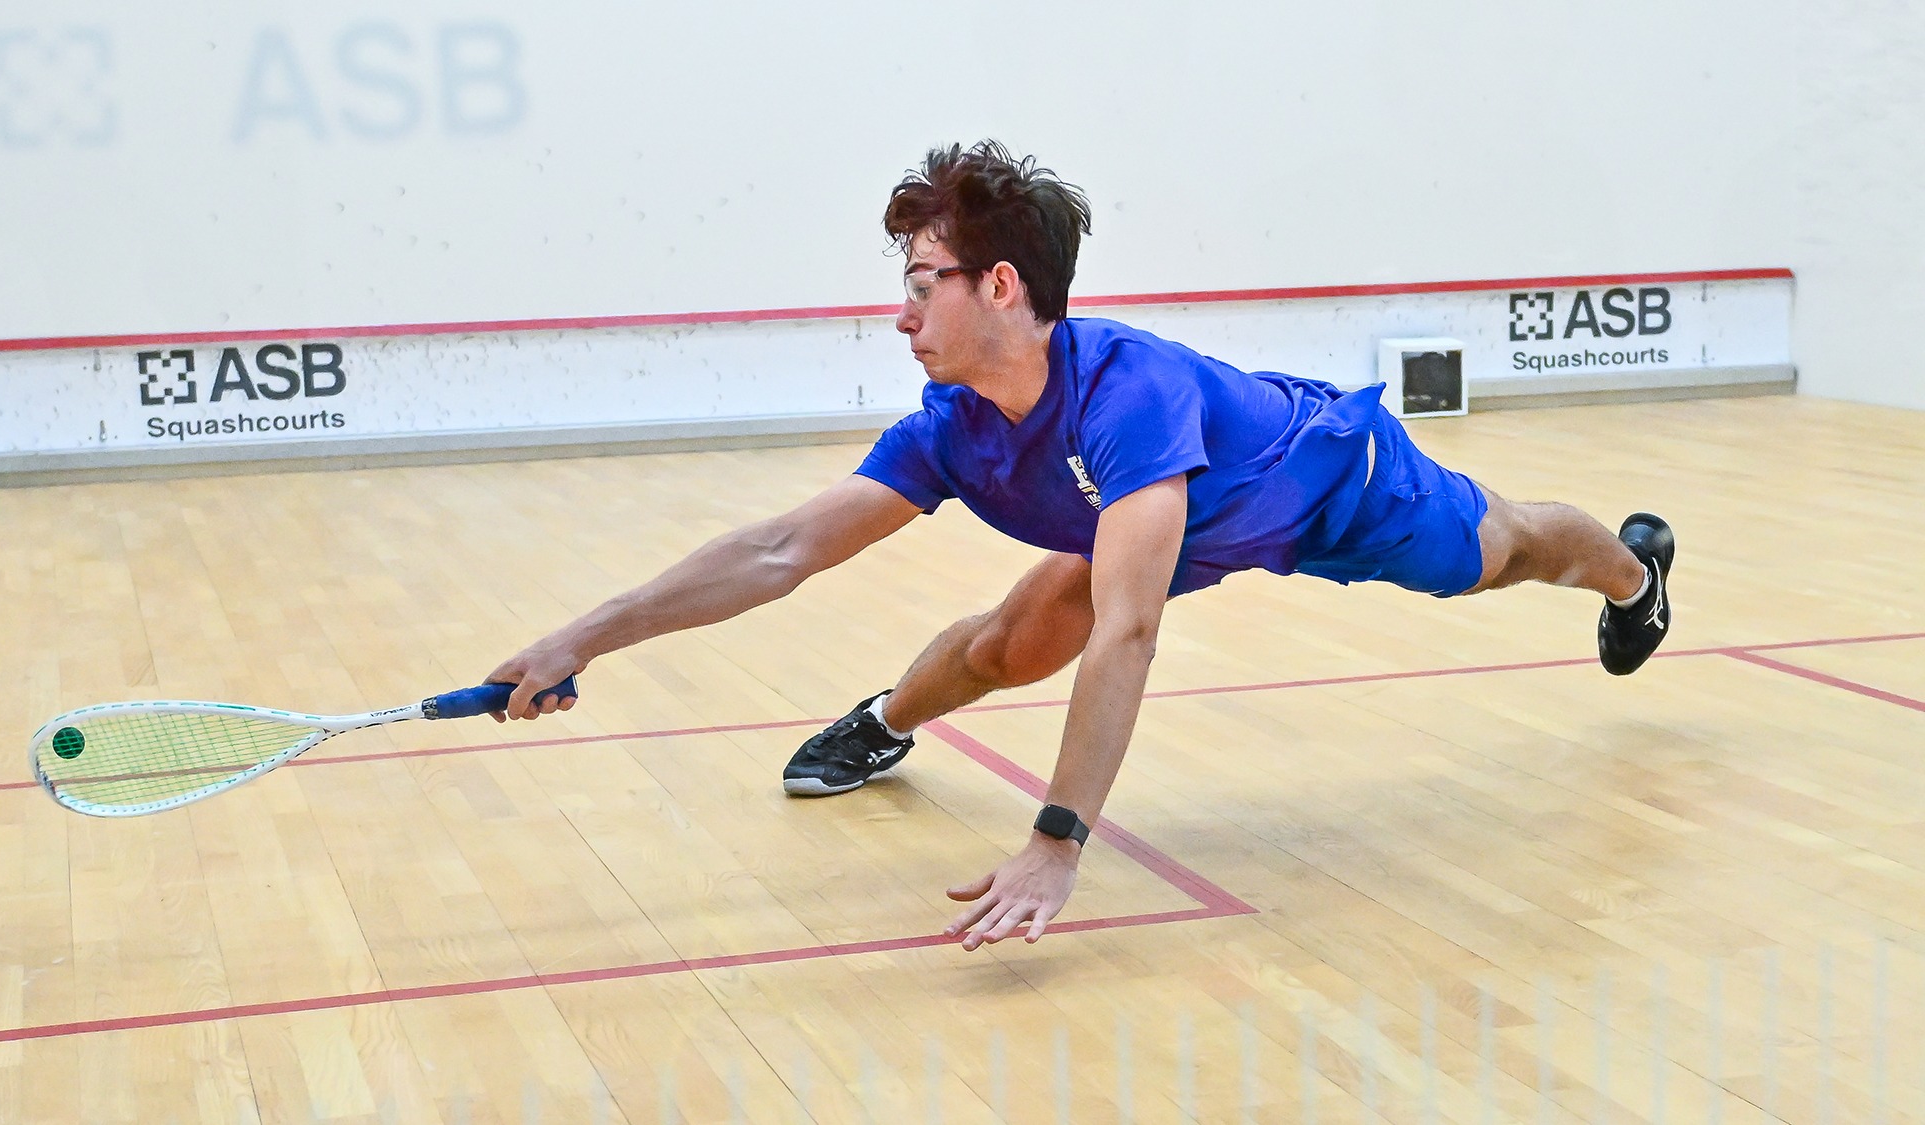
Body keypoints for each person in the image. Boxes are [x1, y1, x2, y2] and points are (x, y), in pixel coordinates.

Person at [486, 141, 1674, 952]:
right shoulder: (955, 427)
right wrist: (582, 635)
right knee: (1007, 641)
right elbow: (781, 550)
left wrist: (1055, 843)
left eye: (920, 282)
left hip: (1328, 493)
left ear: (999, 284)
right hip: (1155, 524)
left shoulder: (1128, 394)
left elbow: (1131, 627)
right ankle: (883, 724)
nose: (901, 312)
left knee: (1506, 549)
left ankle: (1632, 572)